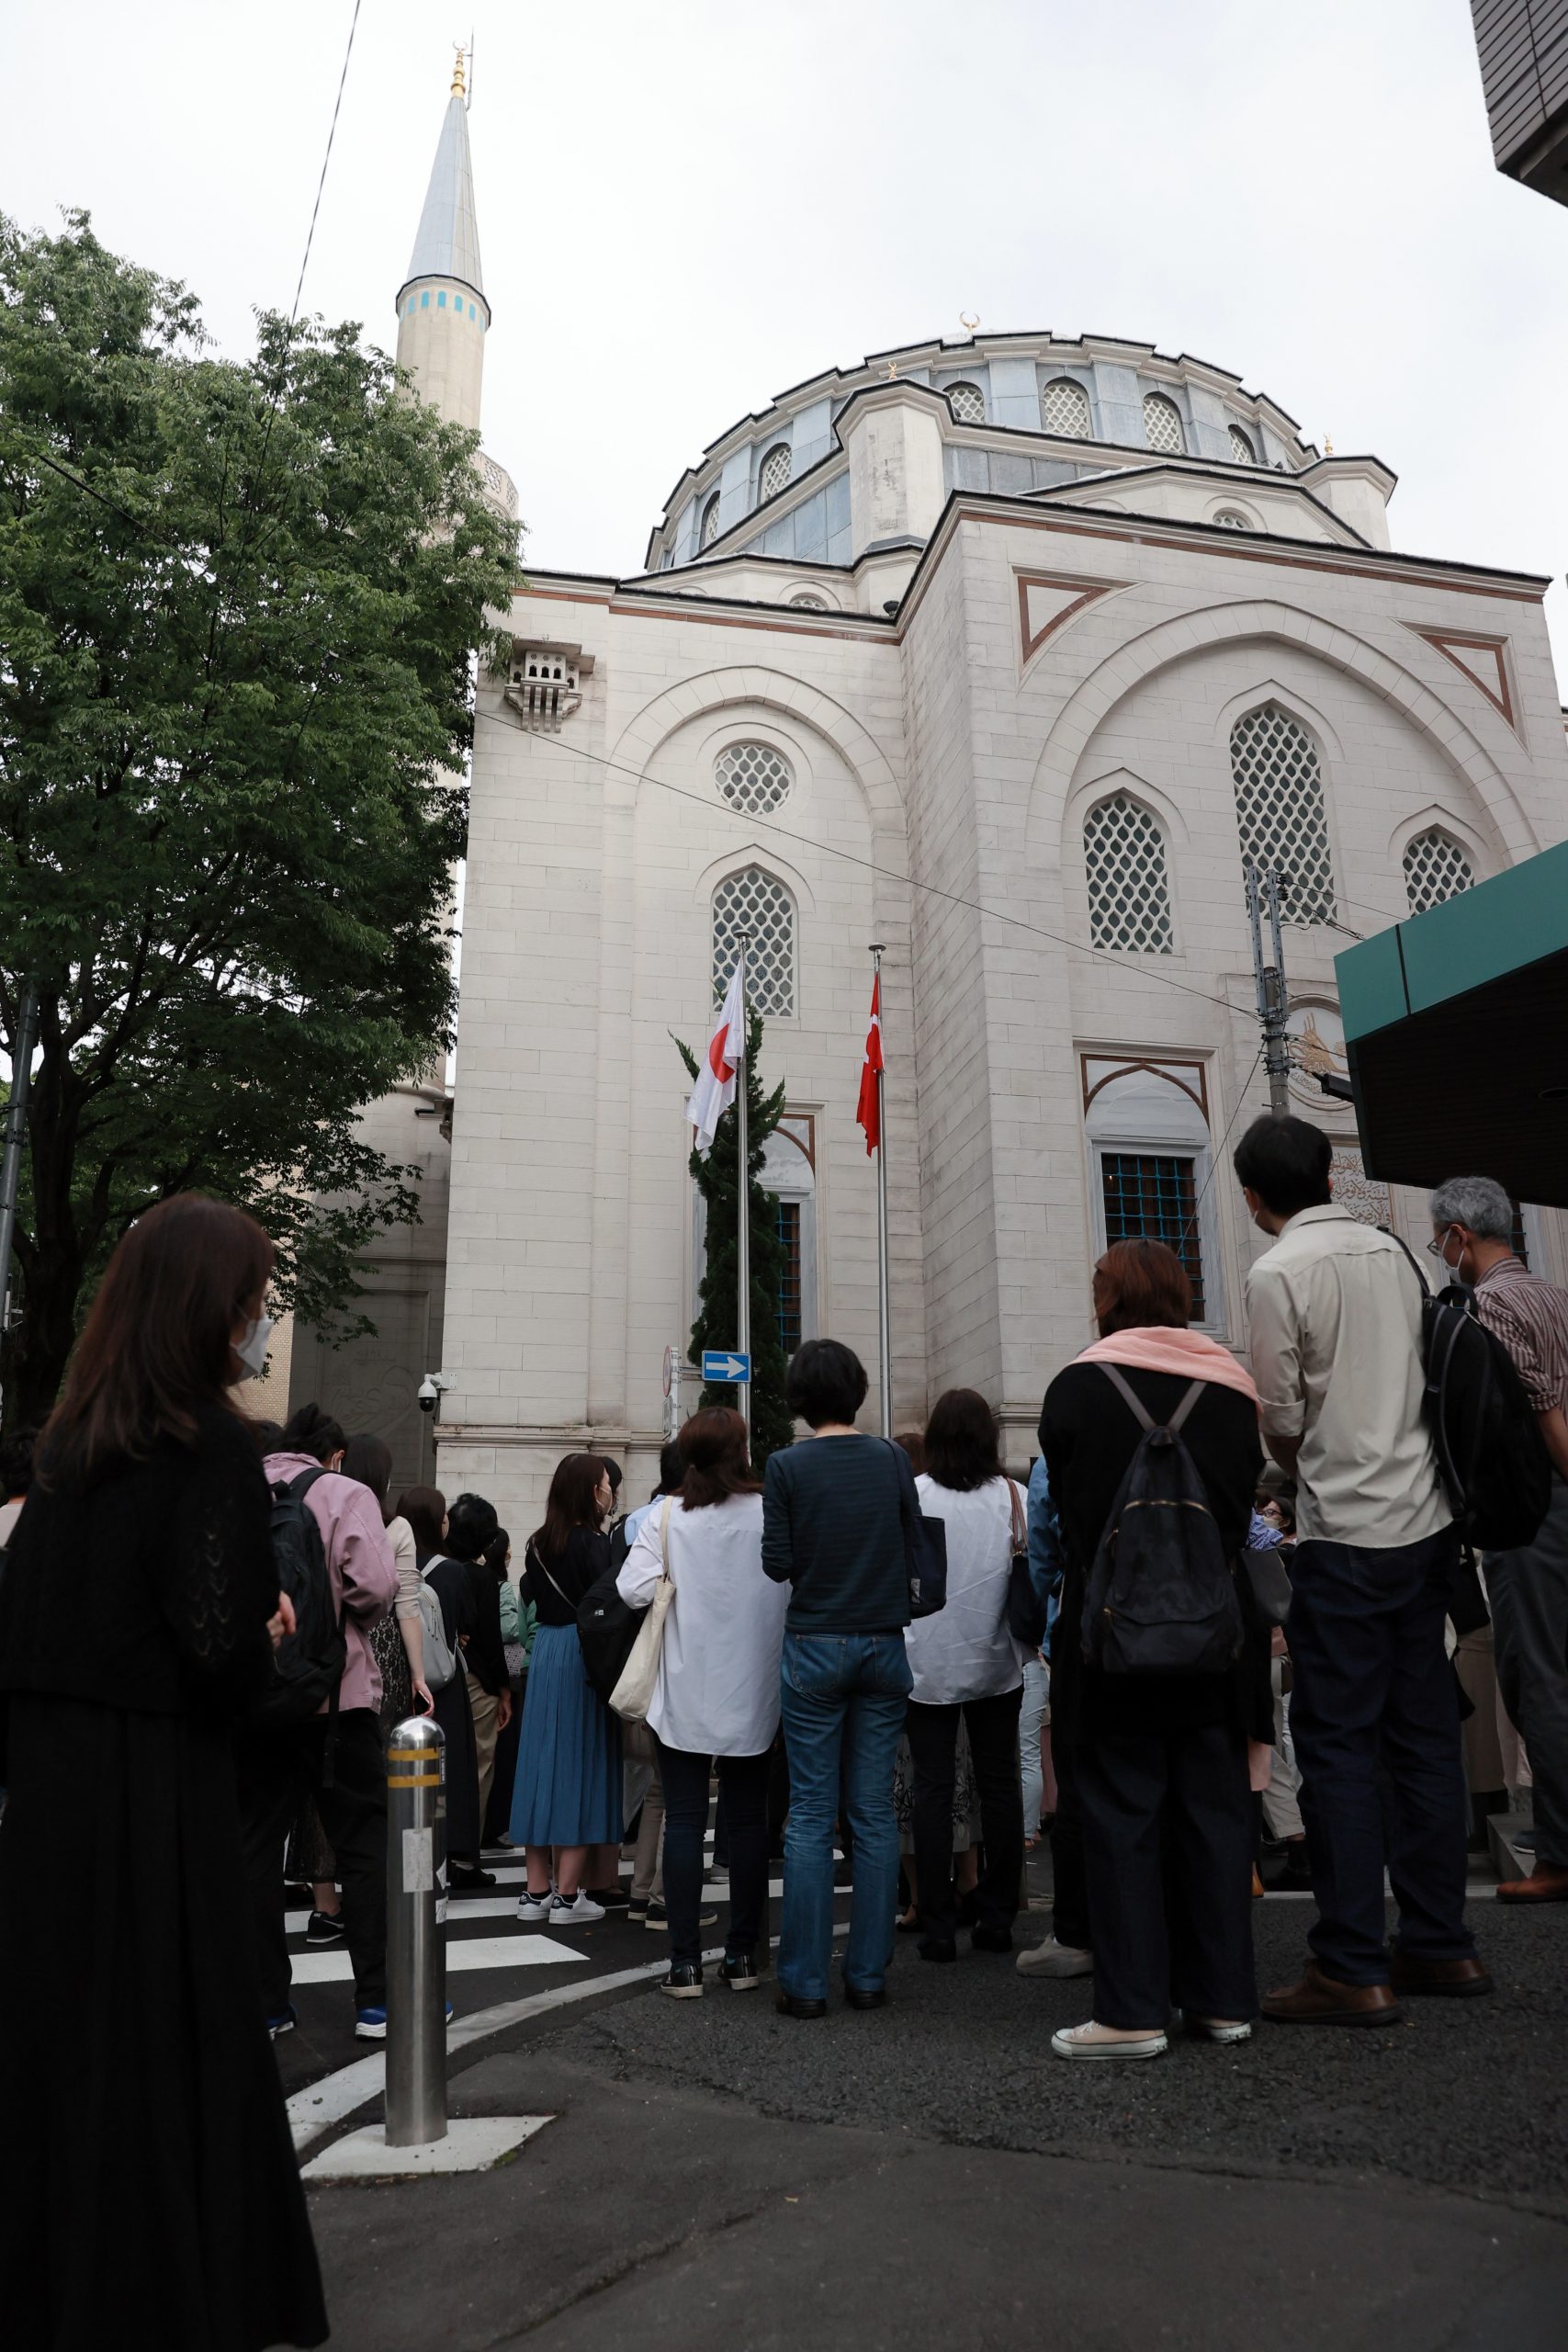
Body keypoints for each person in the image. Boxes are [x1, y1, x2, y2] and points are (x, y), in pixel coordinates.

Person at [0, 1193, 327, 2349]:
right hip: (153, 1789)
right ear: (207, 1309)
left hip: (50, 1792)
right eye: (250, 1301)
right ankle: (173, 2296)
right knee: (170, 2042)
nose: (256, 1322)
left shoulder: (69, 1448)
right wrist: (270, 1632)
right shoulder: (208, 1443)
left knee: (60, 2050)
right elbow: (216, 1652)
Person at [1237, 1114, 1487, 2022]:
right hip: (1425, 1528)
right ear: (1327, 1174)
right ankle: (1439, 1943)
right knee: (1422, 1736)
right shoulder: (1397, 1254)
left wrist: (1302, 1464)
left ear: (1253, 1198)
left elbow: (1278, 1415)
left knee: (1337, 1743)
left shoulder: (1277, 1272)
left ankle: (1350, 1960)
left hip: (1341, 1532)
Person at [1040, 1238, 1269, 2061]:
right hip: (1216, 1633)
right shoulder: (1232, 1388)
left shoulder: (1076, 1388)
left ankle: (1133, 2010)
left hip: (1112, 1635)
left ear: (1108, 1300)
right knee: (1214, 1812)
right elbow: (1241, 1513)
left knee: (1121, 1812)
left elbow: (1069, 1523)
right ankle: (1221, 2000)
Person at [762, 1338, 914, 2018]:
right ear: (856, 1391)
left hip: (815, 1643)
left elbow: (776, 1562)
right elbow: (911, 1541)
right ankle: (868, 1975)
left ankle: (803, 1982)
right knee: (873, 1812)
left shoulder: (786, 1465)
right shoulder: (891, 1458)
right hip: (883, 1642)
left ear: (799, 1398)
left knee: (810, 1815)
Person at [239, 1401, 400, 2041]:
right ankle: (378, 2002)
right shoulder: (344, 1492)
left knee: (255, 1847)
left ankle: (266, 2005)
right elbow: (376, 1588)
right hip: (336, 1699)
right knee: (362, 1844)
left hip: (256, 1697)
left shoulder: (239, 1488)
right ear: (333, 1454)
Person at [618, 1408, 790, 1996]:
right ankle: (742, 1958)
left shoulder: (667, 1517)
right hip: (754, 1688)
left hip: (683, 1689)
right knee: (746, 1824)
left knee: (686, 1822)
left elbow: (630, 1590)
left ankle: (684, 1963)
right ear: (742, 1453)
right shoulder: (769, 1512)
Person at [1430, 1174, 1568, 1903]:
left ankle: (1560, 1853)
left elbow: (1543, 1411)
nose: (1440, 1253)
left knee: (1535, 1675)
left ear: (1458, 1236)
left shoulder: (1488, 1305)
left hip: (1536, 1505)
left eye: (1439, 1241)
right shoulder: (1553, 1294)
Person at [904, 1388, 1026, 1960]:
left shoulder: (914, 1494)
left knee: (932, 1788)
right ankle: (998, 1917)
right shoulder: (1013, 1496)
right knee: (999, 1786)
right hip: (996, 1660)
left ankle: (936, 1922)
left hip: (926, 1662)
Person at [512, 1453, 624, 1921]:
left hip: (547, 1653)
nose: (610, 1492)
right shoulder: (596, 1545)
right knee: (581, 1762)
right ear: (591, 1492)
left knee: (540, 1765)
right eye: (606, 1485)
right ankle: (569, 1894)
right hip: (582, 1654)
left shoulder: (537, 1543)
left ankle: (536, 1891)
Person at [342, 1432, 434, 1737]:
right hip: (384, 1649)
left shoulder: (331, 1520)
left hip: (335, 1641)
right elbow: (407, 1606)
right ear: (384, 1479)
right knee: (383, 1742)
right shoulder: (397, 1528)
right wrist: (418, 1676)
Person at [444, 1493, 514, 1859]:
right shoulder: (484, 1579)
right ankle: (466, 1850)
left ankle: (441, 1843)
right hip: (478, 1681)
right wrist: (504, 1690)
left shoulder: (436, 1570)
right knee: (480, 1765)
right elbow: (492, 1641)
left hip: (439, 1679)